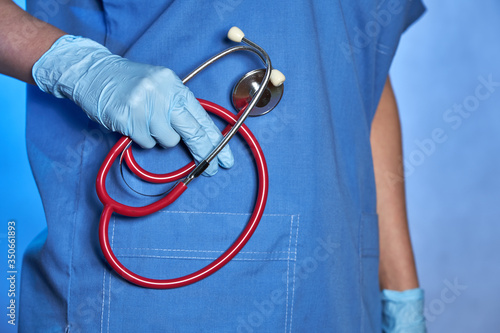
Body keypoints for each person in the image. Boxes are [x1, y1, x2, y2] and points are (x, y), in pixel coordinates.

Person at [0, 0, 426, 331]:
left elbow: (362, 76)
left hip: (338, 292)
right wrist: (74, 67)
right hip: (158, 286)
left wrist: (402, 295)